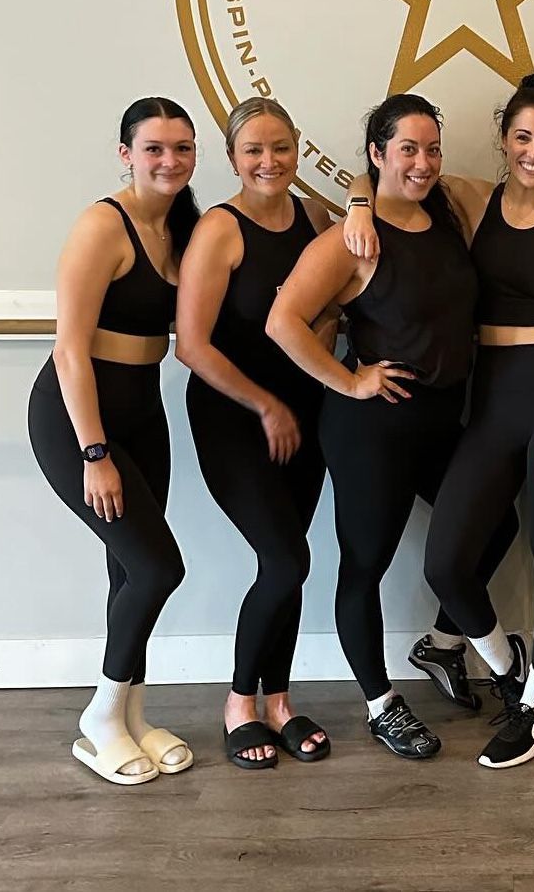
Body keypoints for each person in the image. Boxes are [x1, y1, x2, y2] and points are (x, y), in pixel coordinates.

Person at [348, 73, 534, 768]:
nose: (533, 150)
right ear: (502, 139)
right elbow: (384, 163)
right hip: (490, 403)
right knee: (447, 562)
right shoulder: (468, 196)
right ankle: (503, 662)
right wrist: (352, 202)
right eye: (521, 136)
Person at [266, 94, 517, 760]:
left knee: (497, 524)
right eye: (407, 149)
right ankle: (380, 704)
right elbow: (282, 321)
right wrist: (348, 380)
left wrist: (356, 192)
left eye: (432, 148)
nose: (424, 162)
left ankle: (440, 643)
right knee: (365, 566)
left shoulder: (448, 212)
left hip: (442, 419)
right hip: (370, 430)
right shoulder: (351, 240)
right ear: (378, 153)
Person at [27, 97, 199, 785]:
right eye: (154, 148)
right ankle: (99, 718)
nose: (169, 161)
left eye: (182, 148)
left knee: (129, 571)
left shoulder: (180, 226)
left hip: (141, 411)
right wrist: (94, 453)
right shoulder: (105, 225)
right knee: (160, 568)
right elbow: (69, 350)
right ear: (125, 153)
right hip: (76, 418)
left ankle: (131, 717)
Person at [175, 97, 334, 770]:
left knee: (290, 557)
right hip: (234, 417)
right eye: (253, 151)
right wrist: (265, 404)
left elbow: (331, 309)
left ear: (298, 147)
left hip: (305, 415)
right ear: (233, 157)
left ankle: (280, 702)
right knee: (284, 560)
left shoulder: (316, 218)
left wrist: (316, 364)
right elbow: (192, 346)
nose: (269, 162)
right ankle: (239, 702)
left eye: (280, 148)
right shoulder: (220, 229)